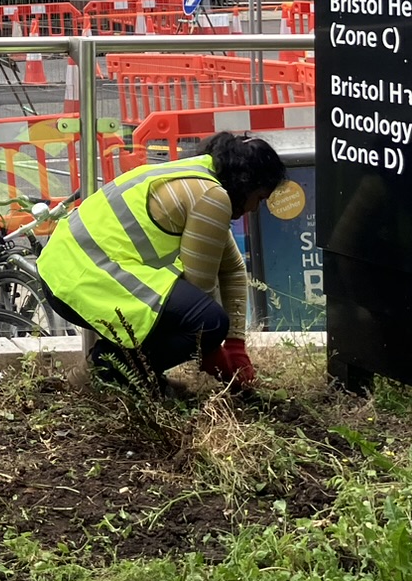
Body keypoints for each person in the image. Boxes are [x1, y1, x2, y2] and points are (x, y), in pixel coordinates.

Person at [38, 131, 285, 391]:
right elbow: (200, 290)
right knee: (209, 321)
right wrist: (214, 354)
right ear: (246, 182)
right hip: (77, 280)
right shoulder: (211, 197)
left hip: (64, 272)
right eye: (259, 198)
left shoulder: (197, 178)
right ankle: (97, 375)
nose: (255, 208)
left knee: (196, 317)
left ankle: (140, 379)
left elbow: (232, 268)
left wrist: (235, 346)